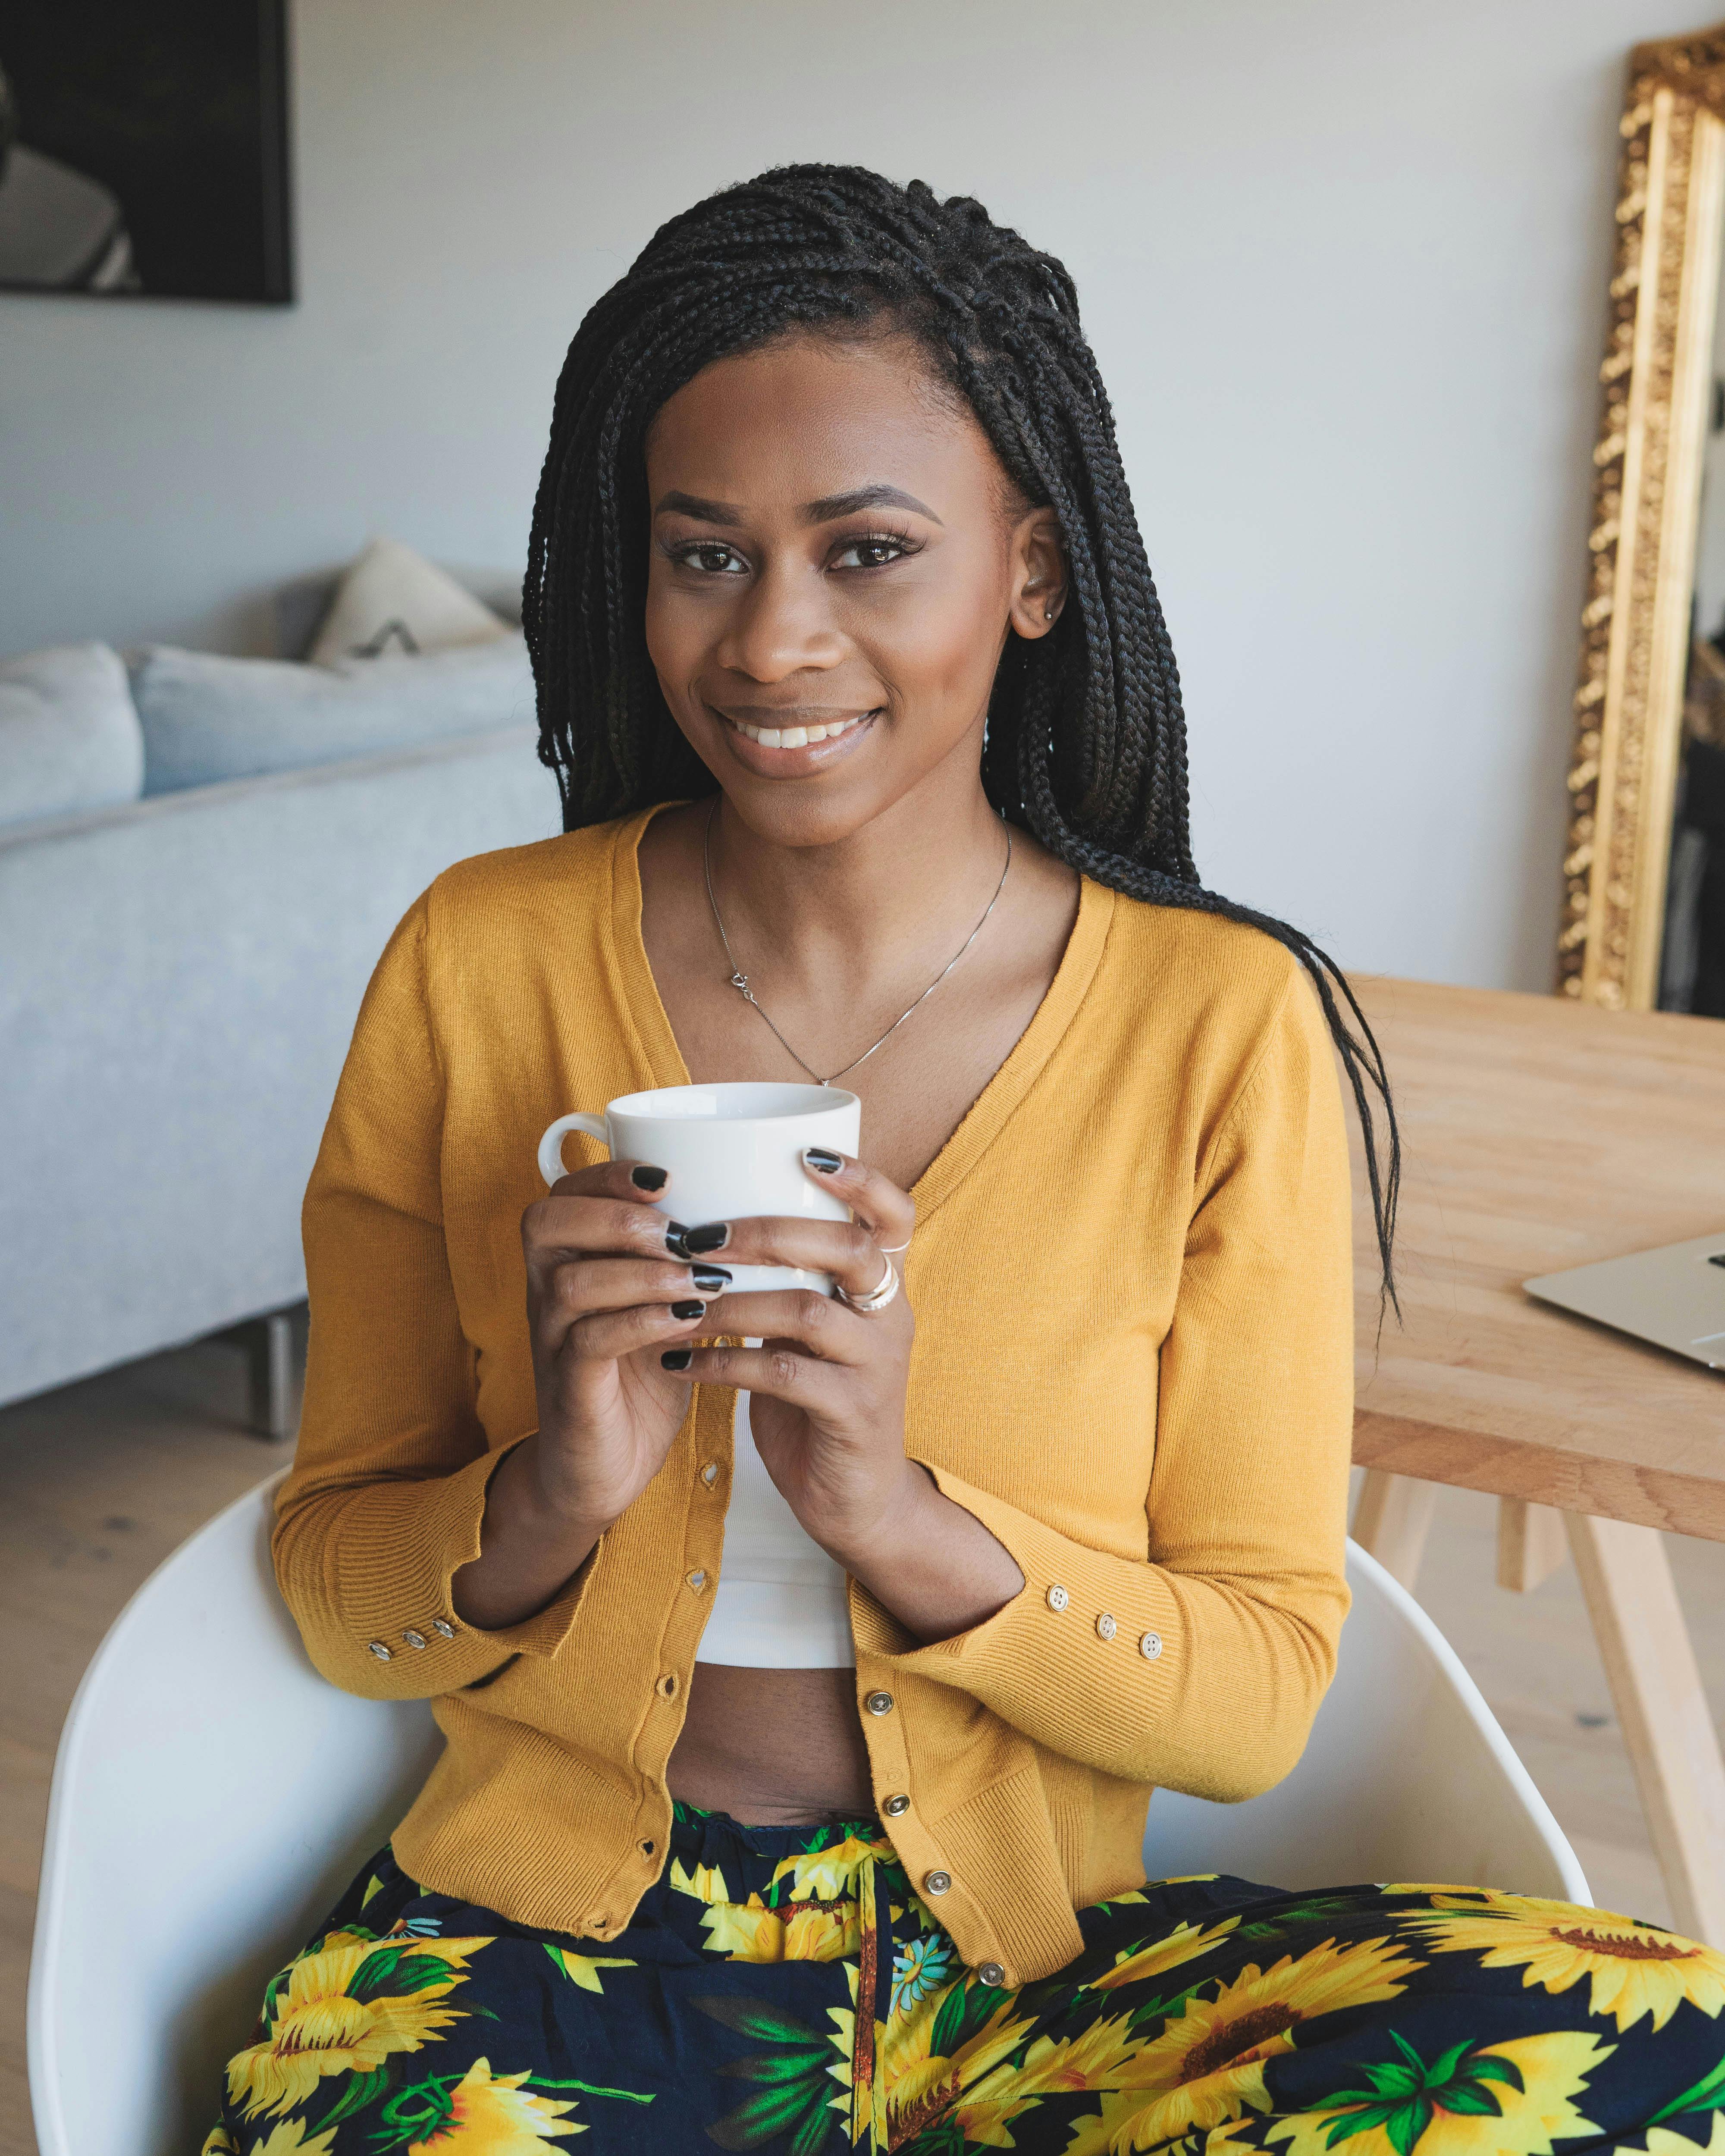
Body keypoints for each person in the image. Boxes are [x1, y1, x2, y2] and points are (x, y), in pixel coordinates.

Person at [204, 168, 1725, 2155]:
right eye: (703, 553)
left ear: (1028, 567)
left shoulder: (1215, 1021)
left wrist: (896, 1512)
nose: (773, 640)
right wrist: (550, 1494)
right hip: (537, 1955)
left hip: (1037, 1975)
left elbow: (1258, 1693)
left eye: (867, 550)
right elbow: (333, 1589)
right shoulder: (479, 959)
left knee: (1662, 2057)